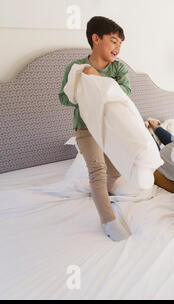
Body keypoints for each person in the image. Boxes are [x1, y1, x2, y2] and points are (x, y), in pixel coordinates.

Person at [58, 16, 131, 241]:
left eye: (120, 43)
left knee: (118, 168)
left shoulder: (118, 68)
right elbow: (64, 97)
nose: (117, 47)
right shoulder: (77, 67)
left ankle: (98, 192)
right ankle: (108, 220)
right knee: (98, 171)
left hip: (111, 128)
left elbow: (124, 95)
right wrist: (84, 88)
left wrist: (97, 78)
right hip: (86, 128)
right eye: (113, 41)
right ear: (96, 39)